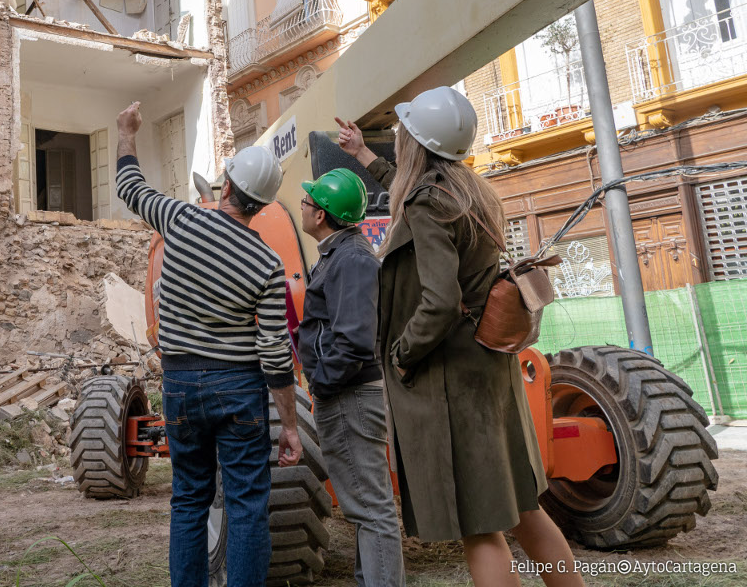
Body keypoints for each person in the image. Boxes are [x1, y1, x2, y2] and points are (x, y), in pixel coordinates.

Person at [334, 86, 584, 587]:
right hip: (490, 372)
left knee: (480, 528)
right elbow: (413, 194)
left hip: (452, 385)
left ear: (416, 144)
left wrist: (402, 354)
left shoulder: (429, 204)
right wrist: (363, 153)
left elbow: (440, 301)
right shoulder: (469, 191)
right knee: (523, 510)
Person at [114, 101, 302, 587]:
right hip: (239, 389)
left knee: (189, 499)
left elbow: (128, 187)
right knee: (246, 506)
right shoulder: (267, 263)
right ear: (262, 204)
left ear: (227, 184)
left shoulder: (179, 219)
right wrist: (290, 425)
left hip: (179, 384)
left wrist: (127, 132)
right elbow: (275, 353)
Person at [297, 168, 405, 587]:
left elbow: (354, 340)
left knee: (372, 508)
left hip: (349, 396)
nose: (303, 206)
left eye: (307, 202)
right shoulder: (339, 254)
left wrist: (322, 385)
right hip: (346, 393)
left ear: (322, 215)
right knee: (364, 506)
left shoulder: (353, 259)